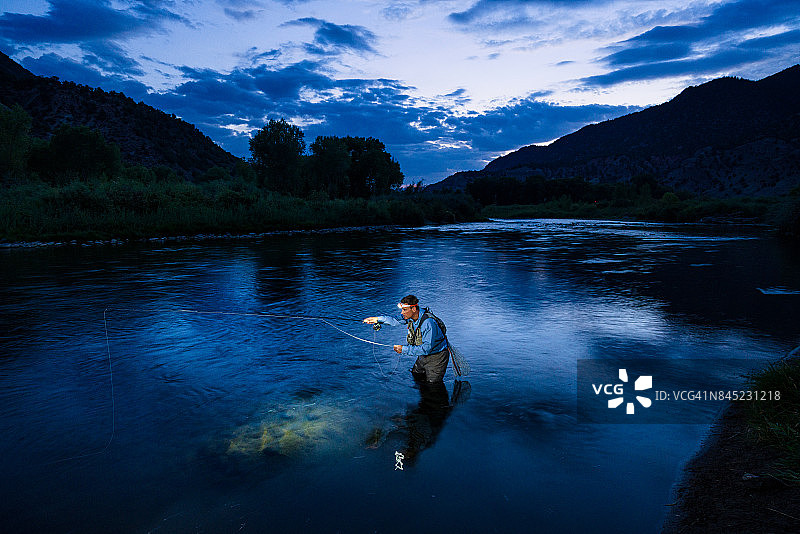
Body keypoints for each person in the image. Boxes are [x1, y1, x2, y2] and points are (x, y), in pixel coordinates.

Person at [363, 295, 449, 382]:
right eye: (402, 309)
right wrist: (377, 319)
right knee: (416, 375)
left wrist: (403, 349)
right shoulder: (411, 317)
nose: (402, 313)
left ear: (414, 309)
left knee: (432, 386)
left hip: (437, 357)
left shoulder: (428, 323)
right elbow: (394, 321)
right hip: (423, 355)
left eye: (404, 310)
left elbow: (426, 349)